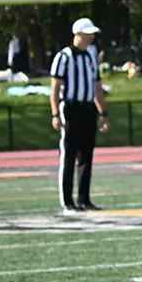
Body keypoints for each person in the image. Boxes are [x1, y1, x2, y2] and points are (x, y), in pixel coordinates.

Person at [50, 18, 109, 213]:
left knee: (87, 156)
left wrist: (103, 112)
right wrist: (55, 113)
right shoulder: (64, 56)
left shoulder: (91, 55)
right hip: (71, 108)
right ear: (78, 34)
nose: (91, 37)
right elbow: (55, 87)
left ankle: (84, 199)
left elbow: (97, 86)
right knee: (69, 155)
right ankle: (67, 201)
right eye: (88, 33)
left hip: (88, 109)